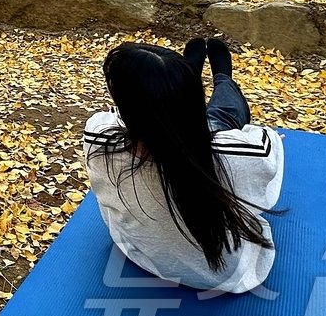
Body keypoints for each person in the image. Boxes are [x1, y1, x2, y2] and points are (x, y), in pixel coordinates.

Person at [83, 38, 285, 294]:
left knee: (211, 122)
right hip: (225, 275)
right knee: (224, 115)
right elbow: (267, 156)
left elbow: (119, 122)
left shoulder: (98, 136)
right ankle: (222, 77)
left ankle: (185, 77)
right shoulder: (241, 154)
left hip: (138, 252)